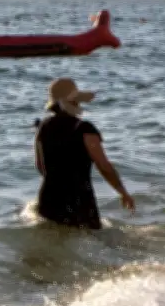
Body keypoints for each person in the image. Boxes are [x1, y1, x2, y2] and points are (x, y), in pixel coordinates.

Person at [34, 77, 134, 229]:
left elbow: (40, 166)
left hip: (48, 200)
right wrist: (123, 192)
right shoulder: (85, 129)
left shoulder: (43, 127)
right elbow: (104, 166)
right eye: (77, 100)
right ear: (72, 102)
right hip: (79, 201)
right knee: (92, 239)